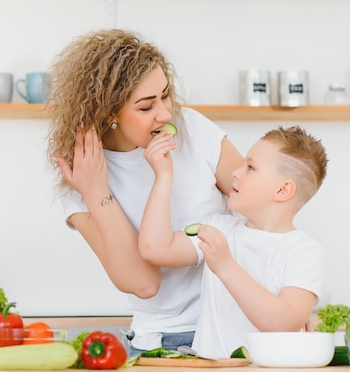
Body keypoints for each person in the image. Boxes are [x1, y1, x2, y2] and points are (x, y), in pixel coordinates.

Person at [46, 29, 244, 354]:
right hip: (161, 343)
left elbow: (263, 214)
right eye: (146, 106)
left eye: (165, 95)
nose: (165, 114)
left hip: (237, 327)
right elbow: (144, 283)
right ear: (108, 112)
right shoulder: (82, 179)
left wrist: (288, 300)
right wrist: (97, 193)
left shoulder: (193, 129)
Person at [139, 125, 328, 359]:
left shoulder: (303, 251)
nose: (236, 172)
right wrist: (163, 175)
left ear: (282, 190)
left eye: (250, 167)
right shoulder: (219, 229)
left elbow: (283, 323)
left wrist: (226, 267)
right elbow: (154, 249)